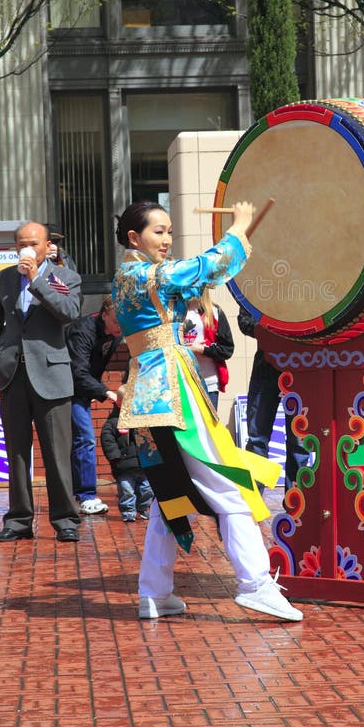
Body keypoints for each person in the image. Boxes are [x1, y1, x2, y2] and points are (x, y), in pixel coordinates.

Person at [112, 199, 303, 622]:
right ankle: (256, 583)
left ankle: (153, 591)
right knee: (229, 485)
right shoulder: (147, 273)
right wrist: (238, 227)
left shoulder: (126, 276)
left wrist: (235, 239)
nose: (167, 239)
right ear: (133, 237)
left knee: (170, 494)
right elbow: (201, 269)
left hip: (148, 395)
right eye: (158, 231)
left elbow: (199, 274)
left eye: (169, 231)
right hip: (173, 391)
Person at [0, 221, 82, 543]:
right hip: (12, 377)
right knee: (16, 453)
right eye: (21, 243)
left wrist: (35, 279)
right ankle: (19, 520)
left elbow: (68, 312)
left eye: (34, 243)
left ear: (46, 245)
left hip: (52, 375)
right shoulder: (4, 278)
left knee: (57, 453)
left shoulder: (65, 277)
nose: (27, 248)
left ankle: (65, 518)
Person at [238, 305, 310, 493]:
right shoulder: (260, 287)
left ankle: (296, 502)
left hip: (299, 371)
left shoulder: (303, 287)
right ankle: (254, 501)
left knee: (299, 441)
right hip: (265, 369)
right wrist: (272, 328)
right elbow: (244, 321)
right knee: (257, 440)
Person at [66, 295, 123, 515]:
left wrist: (94, 388)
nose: (121, 327)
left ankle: (76, 493)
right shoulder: (83, 330)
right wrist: (104, 391)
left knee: (79, 441)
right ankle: (86, 496)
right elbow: (77, 370)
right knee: (85, 438)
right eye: (117, 321)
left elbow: (94, 366)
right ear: (104, 314)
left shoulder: (114, 334)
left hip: (82, 388)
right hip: (65, 388)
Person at [182, 287, 234, 409]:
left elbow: (227, 349)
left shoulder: (214, 311)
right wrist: (186, 350)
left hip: (209, 384)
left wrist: (202, 349)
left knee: (209, 427)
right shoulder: (173, 313)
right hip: (181, 384)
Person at [100, 404, 153, 521]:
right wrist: (115, 456)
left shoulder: (143, 420)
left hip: (143, 464)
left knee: (147, 489)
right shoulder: (113, 422)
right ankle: (128, 512)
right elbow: (107, 440)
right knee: (126, 490)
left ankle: (143, 508)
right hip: (124, 465)